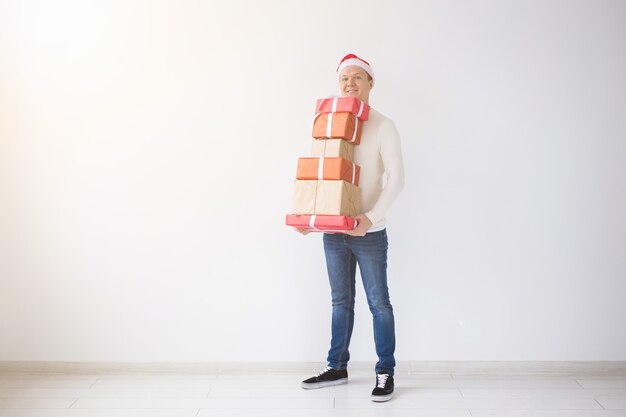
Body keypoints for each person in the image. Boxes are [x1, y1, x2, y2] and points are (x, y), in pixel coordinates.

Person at [294, 53, 405, 402]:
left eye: (358, 78)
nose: (350, 84)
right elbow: (323, 175)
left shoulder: (383, 125)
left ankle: (384, 371)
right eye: (344, 79)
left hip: (369, 232)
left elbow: (397, 179)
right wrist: (311, 216)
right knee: (340, 302)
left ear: (370, 83)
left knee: (379, 303)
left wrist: (370, 218)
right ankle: (336, 366)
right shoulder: (330, 123)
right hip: (334, 232)